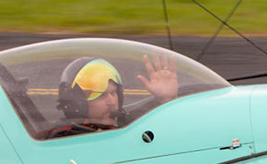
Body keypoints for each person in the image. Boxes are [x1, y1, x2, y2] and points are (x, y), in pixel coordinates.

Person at [47, 53, 180, 138]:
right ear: (77, 103)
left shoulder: (123, 129)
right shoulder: (62, 139)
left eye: (113, 93)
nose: (111, 102)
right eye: (101, 95)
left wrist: (167, 100)